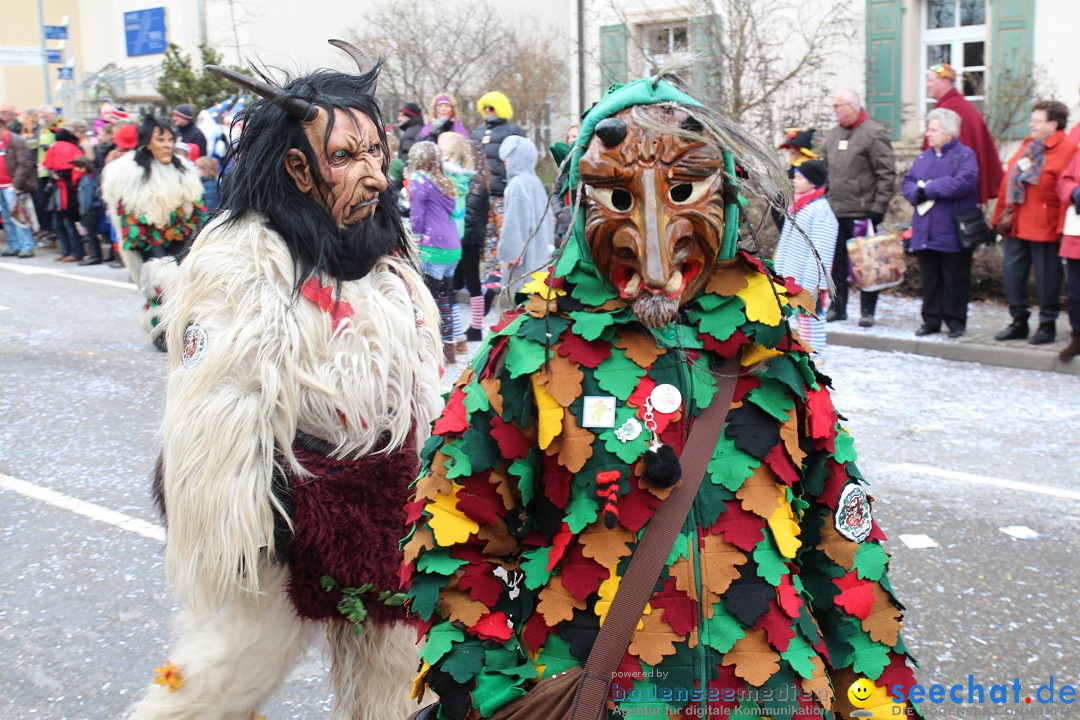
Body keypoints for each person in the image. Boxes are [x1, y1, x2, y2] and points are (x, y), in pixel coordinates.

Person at [405, 74, 919, 720]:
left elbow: (846, 556)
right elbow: (455, 532)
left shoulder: (774, 351)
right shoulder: (531, 350)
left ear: (726, 198)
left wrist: (877, 706)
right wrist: (496, 698)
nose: (654, 256)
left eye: (683, 193)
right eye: (617, 196)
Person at [125, 43, 444, 720]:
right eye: (348, 157)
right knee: (219, 681)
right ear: (299, 168)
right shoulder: (242, 260)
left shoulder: (386, 262)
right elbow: (215, 403)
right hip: (287, 516)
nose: (376, 175)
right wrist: (261, 519)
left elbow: (422, 384)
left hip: (384, 510)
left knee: (398, 684)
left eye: (376, 153)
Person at [101, 116, 205, 347]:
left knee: (188, 277)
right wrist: (152, 232)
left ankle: (187, 323)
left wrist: (192, 228)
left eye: (170, 139)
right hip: (148, 238)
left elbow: (195, 205)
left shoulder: (183, 169)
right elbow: (128, 211)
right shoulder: (130, 171)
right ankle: (161, 327)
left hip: (180, 234)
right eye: (161, 139)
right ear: (147, 142)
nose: (167, 145)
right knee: (161, 279)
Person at [991, 100, 1078, 345]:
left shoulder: (1068, 149)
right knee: (1013, 275)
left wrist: (1062, 228)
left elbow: (1064, 190)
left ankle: (1047, 324)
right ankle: (1018, 321)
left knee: (1047, 279)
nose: (1031, 124)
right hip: (1017, 223)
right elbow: (1009, 182)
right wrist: (998, 218)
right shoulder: (1029, 146)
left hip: (1046, 227)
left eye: (1037, 121)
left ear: (1053, 124)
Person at [821, 89, 897, 326]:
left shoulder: (874, 133)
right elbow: (824, 171)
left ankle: (867, 311)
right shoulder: (832, 136)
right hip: (835, 210)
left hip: (863, 211)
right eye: (833, 106)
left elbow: (887, 173)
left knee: (867, 264)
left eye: (838, 106)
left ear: (852, 107)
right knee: (837, 263)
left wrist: (879, 207)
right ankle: (838, 306)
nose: (834, 111)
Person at [902, 108, 979, 338]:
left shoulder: (965, 155)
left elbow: (964, 183)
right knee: (931, 278)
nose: (928, 133)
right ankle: (931, 320)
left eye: (933, 129)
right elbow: (907, 184)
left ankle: (956, 321)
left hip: (952, 231)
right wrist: (918, 192)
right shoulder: (923, 157)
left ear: (949, 132)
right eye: (928, 129)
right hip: (925, 230)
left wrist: (929, 188)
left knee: (955, 278)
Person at [773, 159, 838, 356]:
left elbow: (822, 250)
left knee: (812, 314)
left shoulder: (820, 210)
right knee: (797, 315)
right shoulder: (798, 205)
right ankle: (800, 346)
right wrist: (778, 269)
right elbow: (786, 241)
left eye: (800, 178)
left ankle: (815, 351)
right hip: (791, 274)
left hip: (808, 278)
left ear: (813, 182)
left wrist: (814, 282)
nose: (795, 181)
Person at [408, 140, 461, 363]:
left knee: (426, 301)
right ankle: (449, 348)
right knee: (445, 299)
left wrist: (415, 241)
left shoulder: (419, 180)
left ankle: (430, 350)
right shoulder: (446, 180)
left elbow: (417, 215)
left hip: (432, 245)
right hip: (452, 246)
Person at [923, 62, 1003, 204]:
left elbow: (948, 156)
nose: (926, 85)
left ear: (945, 82)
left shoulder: (951, 110)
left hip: (951, 197)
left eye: (930, 80)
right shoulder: (960, 105)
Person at [472, 90, 526, 293]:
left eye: (492, 107)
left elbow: (521, 159)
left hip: (505, 192)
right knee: (488, 234)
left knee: (506, 232)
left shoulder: (514, 130)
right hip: (484, 193)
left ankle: (506, 273)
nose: (487, 111)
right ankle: (490, 273)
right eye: (485, 107)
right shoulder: (477, 132)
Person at [496, 134, 553, 295]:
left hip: (524, 257)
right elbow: (548, 217)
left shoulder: (517, 185)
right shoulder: (535, 181)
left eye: (508, 158)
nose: (505, 162)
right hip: (540, 251)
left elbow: (515, 224)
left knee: (518, 298)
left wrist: (510, 255)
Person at [41, 128, 86, 262]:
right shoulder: (75, 149)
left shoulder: (58, 148)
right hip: (60, 191)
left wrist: (57, 175)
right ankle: (67, 250)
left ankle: (75, 251)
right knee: (62, 223)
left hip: (66, 191)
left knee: (66, 223)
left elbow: (49, 167)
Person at [0, 108, 37, 258]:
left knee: (19, 217)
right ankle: (14, 245)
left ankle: (26, 246)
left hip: (12, 186)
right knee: (7, 218)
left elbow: (25, 164)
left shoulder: (15, 140)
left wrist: (16, 184)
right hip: (1, 186)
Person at [1057, 150, 1080, 361]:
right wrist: (1074, 192)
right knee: (1075, 294)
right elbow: (1064, 181)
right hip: (1077, 235)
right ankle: (1078, 336)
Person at [71, 156, 105, 265]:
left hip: (89, 210)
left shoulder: (86, 180)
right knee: (91, 233)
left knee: (90, 234)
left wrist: (83, 210)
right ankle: (95, 255)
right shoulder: (91, 177)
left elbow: (86, 198)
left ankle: (94, 256)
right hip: (92, 209)